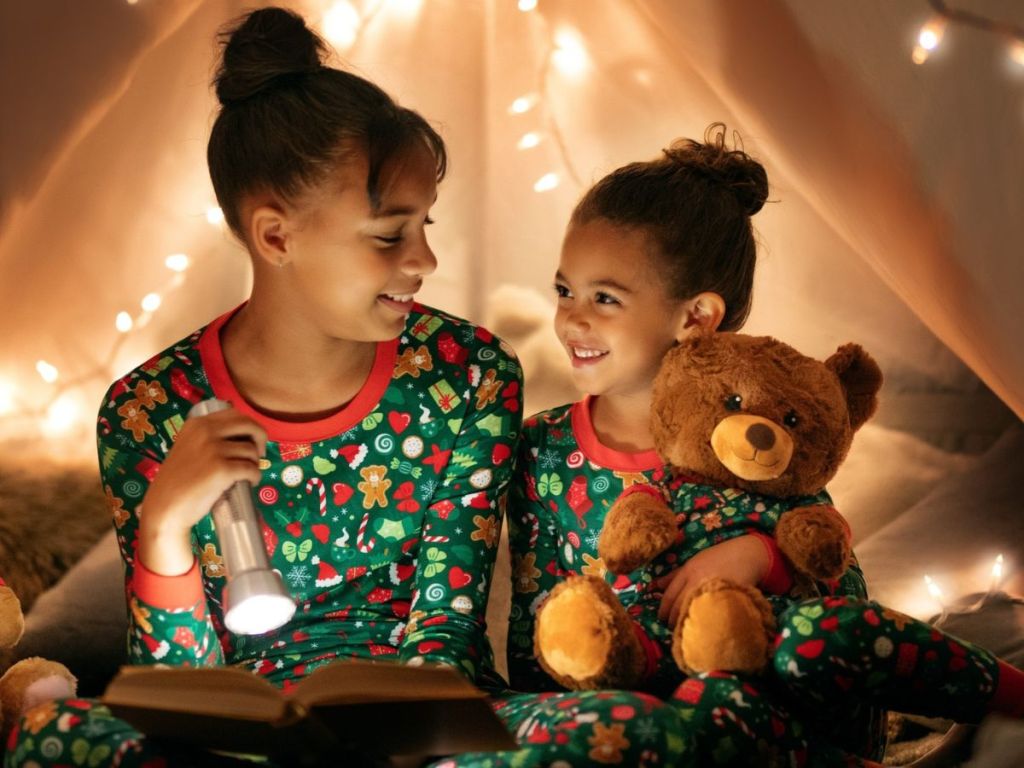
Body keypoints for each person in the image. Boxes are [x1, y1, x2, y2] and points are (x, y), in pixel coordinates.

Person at [6, 7, 685, 768]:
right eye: (390, 233)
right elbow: (178, 689)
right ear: (276, 236)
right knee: (52, 740)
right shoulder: (147, 411)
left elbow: (447, 631)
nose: (424, 258)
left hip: (425, 733)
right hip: (238, 743)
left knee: (626, 729)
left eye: (425, 224)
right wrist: (165, 530)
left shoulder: (470, 375)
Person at [502, 125, 1024, 767]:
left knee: (740, 694)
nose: (572, 318)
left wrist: (762, 557)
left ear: (696, 316)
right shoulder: (542, 448)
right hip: (630, 713)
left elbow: (845, 603)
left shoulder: (751, 437)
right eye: (564, 290)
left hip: (769, 703)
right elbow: (536, 636)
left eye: (604, 298)